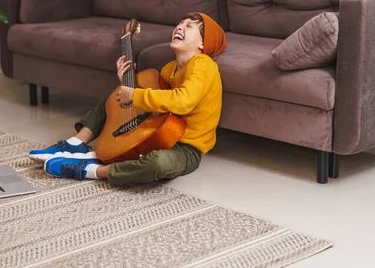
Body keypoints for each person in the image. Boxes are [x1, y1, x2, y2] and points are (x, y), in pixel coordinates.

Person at [29, 12, 227, 186]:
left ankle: (92, 170)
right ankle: (77, 143)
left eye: (189, 26)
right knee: (116, 98)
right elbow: (153, 102)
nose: (179, 27)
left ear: (203, 42)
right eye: (180, 24)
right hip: (158, 132)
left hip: (185, 148)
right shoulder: (169, 68)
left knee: (158, 163)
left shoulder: (203, 64)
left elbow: (183, 101)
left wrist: (134, 94)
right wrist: (127, 85)